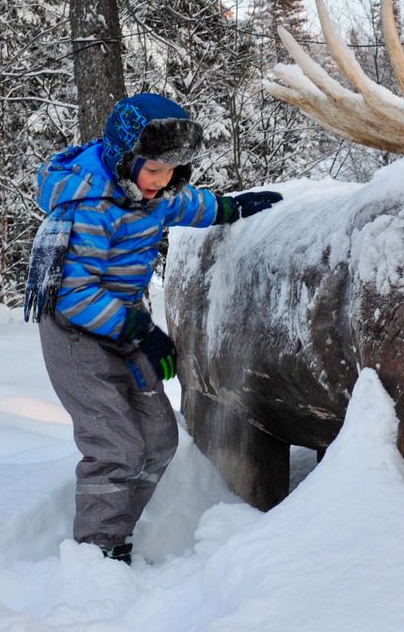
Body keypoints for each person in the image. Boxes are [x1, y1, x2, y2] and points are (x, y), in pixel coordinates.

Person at [23, 93, 282, 564]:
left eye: (170, 174)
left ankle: (117, 523)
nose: (159, 185)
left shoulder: (154, 194)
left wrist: (230, 210)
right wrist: (140, 331)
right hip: (76, 334)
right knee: (116, 444)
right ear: (125, 159)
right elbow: (73, 294)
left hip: (122, 322)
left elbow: (186, 206)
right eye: (153, 171)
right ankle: (98, 548)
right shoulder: (91, 206)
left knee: (160, 439)